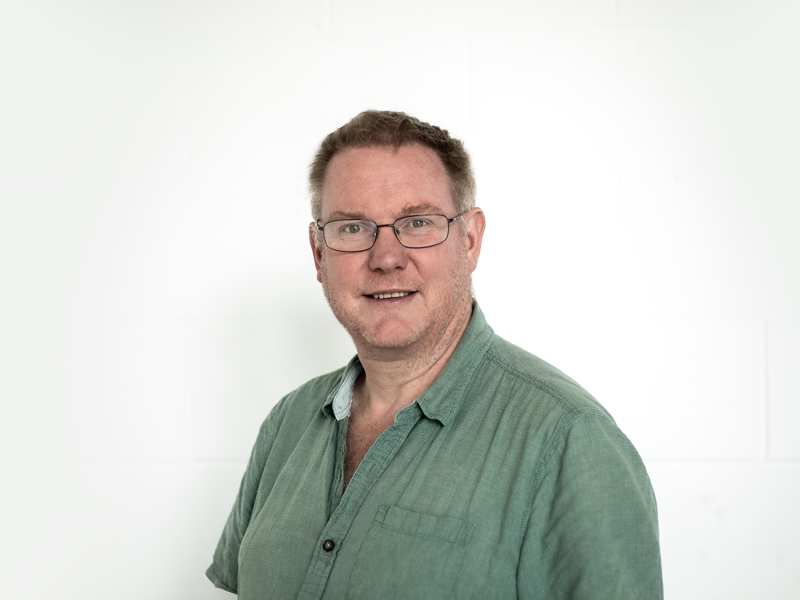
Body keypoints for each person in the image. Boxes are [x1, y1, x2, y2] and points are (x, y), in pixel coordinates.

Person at [206, 110, 663, 599]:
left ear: (469, 240)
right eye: (353, 228)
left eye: (417, 222)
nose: (385, 257)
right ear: (319, 254)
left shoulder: (569, 440)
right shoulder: (287, 424)